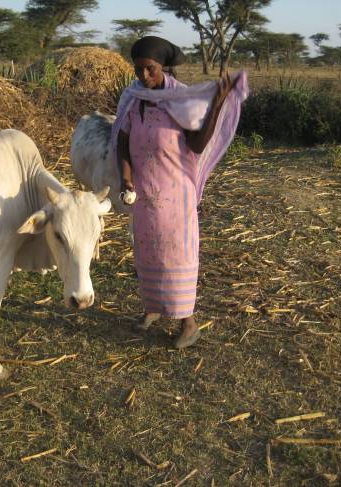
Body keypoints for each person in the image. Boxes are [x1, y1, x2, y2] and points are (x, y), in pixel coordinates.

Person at [112, 36, 248, 349]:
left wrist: (216, 103)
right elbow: (122, 141)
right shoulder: (133, 99)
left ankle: (188, 324)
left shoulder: (181, 100)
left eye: (150, 69)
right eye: (138, 70)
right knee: (148, 251)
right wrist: (126, 178)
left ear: (163, 67)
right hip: (145, 195)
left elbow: (198, 145)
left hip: (176, 196)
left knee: (175, 256)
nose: (144, 77)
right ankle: (153, 309)